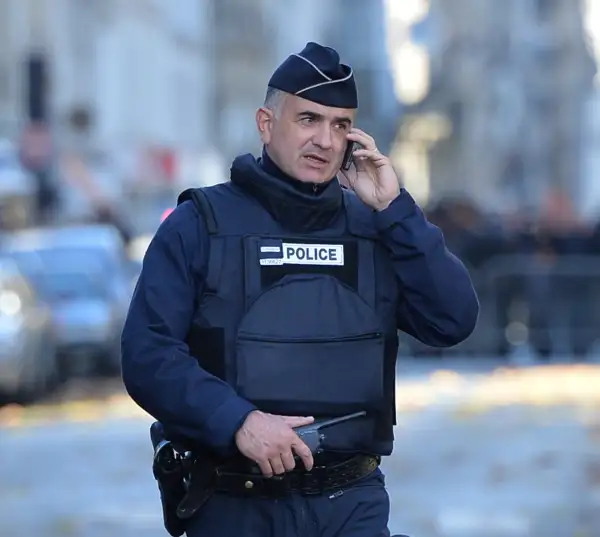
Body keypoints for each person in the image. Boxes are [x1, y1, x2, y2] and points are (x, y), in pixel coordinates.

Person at [121, 42, 479, 537]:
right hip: (233, 505)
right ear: (266, 123)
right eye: (308, 119)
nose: (326, 141)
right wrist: (238, 421)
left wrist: (396, 211)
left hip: (350, 504)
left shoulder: (376, 226)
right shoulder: (199, 225)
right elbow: (147, 354)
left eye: (340, 125)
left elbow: (452, 320)